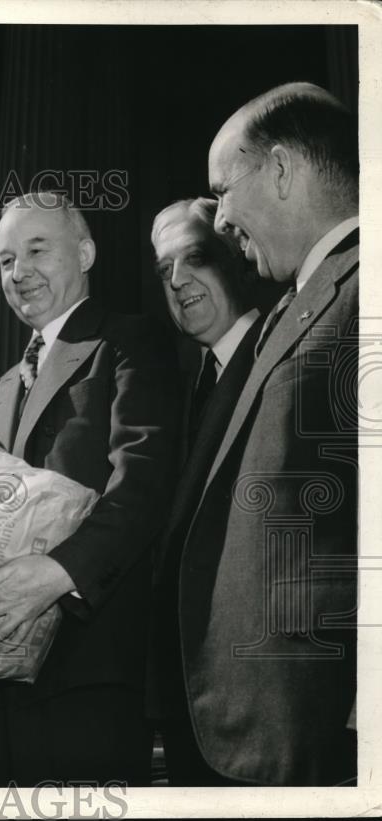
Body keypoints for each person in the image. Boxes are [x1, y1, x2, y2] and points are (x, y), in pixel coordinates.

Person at [0, 191, 181, 786]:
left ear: (86, 252)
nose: (18, 272)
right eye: (4, 260)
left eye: (36, 249)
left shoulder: (129, 343)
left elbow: (146, 482)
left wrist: (58, 573)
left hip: (85, 670)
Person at [175, 81, 359, 786]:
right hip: (255, 731)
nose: (218, 219)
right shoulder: (297, 303)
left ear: (282, 169)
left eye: (223, 189)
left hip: (315, 740)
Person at [146, 197, 262, 785]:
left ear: (236, 258)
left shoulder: (278, 355)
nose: (177, 280)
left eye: (194, 257)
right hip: (196, 705)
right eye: (163, 269)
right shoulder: (195, 382)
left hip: (258, 712)